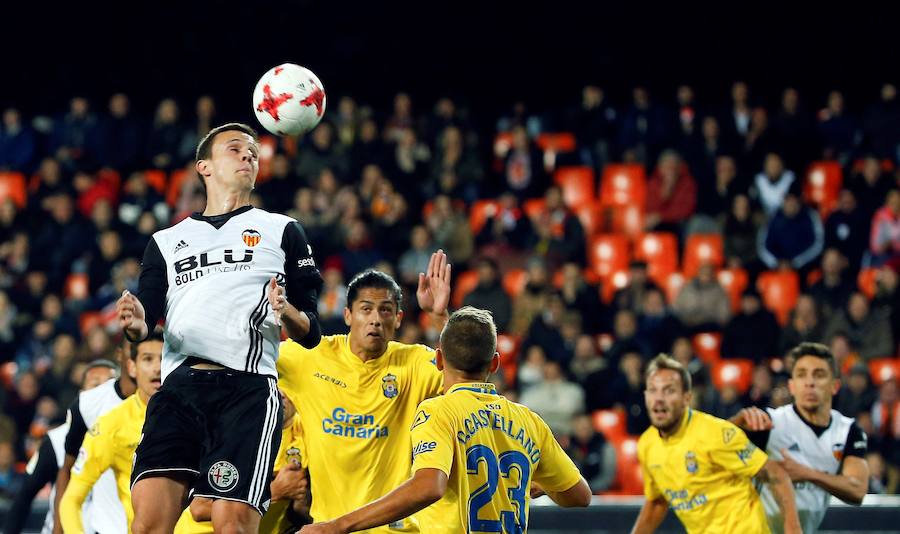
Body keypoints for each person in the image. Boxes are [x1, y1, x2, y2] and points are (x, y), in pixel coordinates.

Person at [116, 122, 323, 534]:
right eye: (235, 148)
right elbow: (144, 320)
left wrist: (287, 313)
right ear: (204, 166)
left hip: (245, 391)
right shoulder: (166, 240)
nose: (249, 154)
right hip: (179, 390)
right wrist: (138, 323)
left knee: (232, 527)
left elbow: (311, 329)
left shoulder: (283, 230)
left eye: (253, 150)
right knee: (146, 527)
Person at [298, 306, 591, 533]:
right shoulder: (529, 420)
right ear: (495, 363)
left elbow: (429, 486)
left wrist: (338, 525)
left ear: (439, 360)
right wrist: (530, 485)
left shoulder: (438, 412)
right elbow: (579, 495)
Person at [276, 252, 450, 533]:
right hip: (326, 528)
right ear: (347, 315)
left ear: (398, 318)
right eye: (366, 309)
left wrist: (439, 316)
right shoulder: (310, 357)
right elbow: (251, 357)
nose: (376, 320)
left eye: (385, 310)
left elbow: (467, 371)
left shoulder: (415, 362)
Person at [631, 354, 800, 534]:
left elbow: (775, 473)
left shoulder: (715, 433)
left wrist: (793, 529)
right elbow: (657, 501)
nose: (659, 398)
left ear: (686, 398)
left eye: (668, 391)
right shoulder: (647, 445)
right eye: (653, 390)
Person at [59, 332, 209, 534]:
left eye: (164, 359)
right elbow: (71, 500)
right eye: (148, 359)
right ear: (131, 367)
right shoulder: (112, 424)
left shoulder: (206, 415)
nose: (157, 368)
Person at [731, 342, 870, 534]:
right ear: (792, 386)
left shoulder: (847, 431)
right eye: (801, 374)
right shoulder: (769, 423)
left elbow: (857, 490)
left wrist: (806, 473)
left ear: (835, 386)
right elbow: (713, 446)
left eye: (819, 374)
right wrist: (735, 423)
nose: (809, 382)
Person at [3, 360, 118, 534]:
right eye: (95, 385)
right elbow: (24, 496)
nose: (102, 393)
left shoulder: (134, 436)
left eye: (109, 386)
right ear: (82, 394)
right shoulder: (56, 440)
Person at [53, 342, 138, 534]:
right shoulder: (88, 405)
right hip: (105, 527)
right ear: (121, 355)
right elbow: (66, 472)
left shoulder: (171, 405)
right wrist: (59, 529)